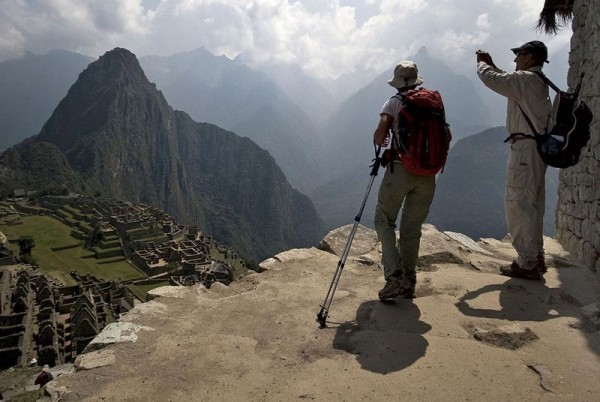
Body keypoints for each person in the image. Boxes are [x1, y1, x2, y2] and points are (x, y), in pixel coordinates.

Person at [476, 40, 552, 280]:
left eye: (518, 55)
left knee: (518, 204)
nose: (515, 59)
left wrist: (482, 65)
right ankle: (535, 255)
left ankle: (526, 262)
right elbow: (508, 80)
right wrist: (493, 65)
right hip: (536, 152)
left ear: (529, 57)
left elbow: (494, 80)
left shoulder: (525, 80)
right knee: (533, 204)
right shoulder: (535, 80)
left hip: (523, 153)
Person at [373, 61, 438, 300]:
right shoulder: (431, 103)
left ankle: (393, 277)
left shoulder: (393, 102)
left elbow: (380, 135)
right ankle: (409, 281)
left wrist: (385, 138)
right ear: (417, 79)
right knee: (411, 229)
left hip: (400, 169)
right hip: (428, 174)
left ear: (398, 81)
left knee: (384, 220)